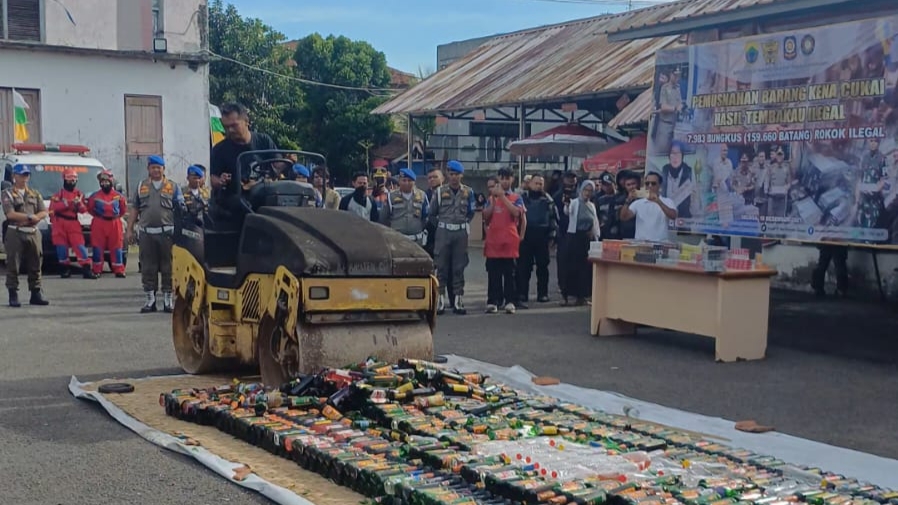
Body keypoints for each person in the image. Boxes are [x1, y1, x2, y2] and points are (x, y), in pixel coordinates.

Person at [126, 155, 185, 314]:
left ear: (164, 169)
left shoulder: (173, 187)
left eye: (159, 167)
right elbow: (135, 210)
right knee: (147, 268)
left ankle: (168, 300)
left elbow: (181, 211)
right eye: (153, 167)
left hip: (167, 234)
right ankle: (150, 300)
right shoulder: (141, 187)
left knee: (169, 267)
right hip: (146, 235)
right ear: (148, 169)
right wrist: (129, 229)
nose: (156, 170)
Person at [429, 160, 476, 315]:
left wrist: (462, 224)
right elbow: (432, 214)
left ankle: (458, 300)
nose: (454, 177)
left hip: (460, 233)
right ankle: (440, 301)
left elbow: (471, 212)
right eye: (451, 174)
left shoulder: (468, 192)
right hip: (444, 232)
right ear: (447, 175)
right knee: (441, 267)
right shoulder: (439, 192)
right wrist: (443, 225)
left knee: (459, 267)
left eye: (457, 174)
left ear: (462, 175)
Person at [1, 164, 50, 307]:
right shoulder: (7, 193)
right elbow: (10, 213)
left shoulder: (34, 193)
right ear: (14, 176)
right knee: (13, 264)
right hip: (15, 231)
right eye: (21, 175)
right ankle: (13, 295)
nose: (24, 178)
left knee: (36, 263)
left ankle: (36, 293)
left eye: (26, 175)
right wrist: (30, 217)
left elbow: (43, 211)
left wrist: (36, 217)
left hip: (33, 232)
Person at [209, 102, 279, 195]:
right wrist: (220, 181)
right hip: (233, 201)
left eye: (234, 125)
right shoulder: (219, 149)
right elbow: (213, 177)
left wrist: (288, 161)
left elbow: (278, 163)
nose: (230, 130)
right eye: (226, 127)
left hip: (264, 196)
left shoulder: (264, 140)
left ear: (246, 121)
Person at [483, 168, 525, 314]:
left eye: (508, 178)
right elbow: (486, 216)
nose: (505, 181)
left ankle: (510, 301)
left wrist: (502, 197)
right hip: (493, 241)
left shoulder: (516, 197)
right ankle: (493, 301)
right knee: (493, 273)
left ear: (512, 179)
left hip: (509, 241)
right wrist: (494, 200)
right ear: (498, 179)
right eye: (502, 178)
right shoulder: (490, 199)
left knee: (510, 273)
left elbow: (516, 213)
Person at [517, 174, 556, 307]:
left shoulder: (548, 200)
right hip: (525, 236)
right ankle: (522, 293)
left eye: (541, 183)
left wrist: (552, 236)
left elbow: (553, 218)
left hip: (542, 236)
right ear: (530, 184)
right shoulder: (522, 198)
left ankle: (542, 294)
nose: (538, 186)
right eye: (536, 183)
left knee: (543, 267)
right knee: (523, 267)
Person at [561, 180, 599, 306]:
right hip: (574, 237)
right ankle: (568, 295)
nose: (587, 193)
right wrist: (566, 203)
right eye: (585, 190)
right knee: (571, 267)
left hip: (586, 239)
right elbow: (568, 210)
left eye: (590, 191)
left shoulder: (592, 206)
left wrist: (595, 235)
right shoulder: (575, 203)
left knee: (584, 268)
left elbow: (595, 222)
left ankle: (581, 296)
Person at [48, 168, 92, 278]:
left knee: (79, 246)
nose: (71, 182)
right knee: (61, 248)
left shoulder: (79, 194)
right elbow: (53, 208)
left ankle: (86, 268)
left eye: (73, 180)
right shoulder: (58, 195)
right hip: (60, 223)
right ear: (64, 180)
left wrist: (78, 204)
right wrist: (68, 204)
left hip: (73, 223)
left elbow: (84, 210)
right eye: (69, 180)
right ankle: (64, 269)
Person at [87, 170, 128, 279]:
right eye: (102, 181)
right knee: (97, 247)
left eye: (106, 181)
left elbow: (123, 210)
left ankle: (119, 270)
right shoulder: (94, 196)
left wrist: (116, 217)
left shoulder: (119, 196)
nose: (104, 183)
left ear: (111, 181)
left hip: (115, 223)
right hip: (99, 222)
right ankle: (96, 270)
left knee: (117, 247)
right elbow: (90, 209)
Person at [620, 172, 678, 242]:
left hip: (660, 243)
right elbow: (624, 217)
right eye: (647, 183)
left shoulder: (667, 201)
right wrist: (627, 201)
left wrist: (658, 202)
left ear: (659, 185)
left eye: (653, 183)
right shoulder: (638, 203)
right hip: (641, 243)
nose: (650, 186)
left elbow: (673, 216)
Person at [384, 168, 429, 246]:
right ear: (399, 181)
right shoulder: (390, 196)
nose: (407, 183)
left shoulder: (422, 195)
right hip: (397, 240)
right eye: (404, 180)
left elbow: (426, 217)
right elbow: (384, 218)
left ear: (414, 182)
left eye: (409, 180)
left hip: (417, 240)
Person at [552, 171, 578, 293]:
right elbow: (554, 215)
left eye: (573, 178)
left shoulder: (580, 194)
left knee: (575, 261)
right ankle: (563, 287)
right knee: (563, 261)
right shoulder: (557, 195)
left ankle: (574, 288)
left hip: (578, 232)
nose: (571, 181)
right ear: (564, 179)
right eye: (568, 178)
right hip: (562, 232)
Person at [659, 141, 694, 218]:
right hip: (666, 217)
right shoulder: (664, 170)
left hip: (683, 220)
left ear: (682, 156)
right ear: (669, 156)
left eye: (678, 153)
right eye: (672, 153)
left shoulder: (689, 172)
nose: (675, 157)